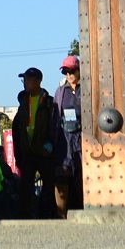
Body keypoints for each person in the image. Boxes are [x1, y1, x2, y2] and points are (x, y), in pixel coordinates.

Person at [10, 67, 62, 218]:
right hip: (27, 152)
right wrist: (18, 152)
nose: (25, 83)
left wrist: (50, 146)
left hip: (44, 152)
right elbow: (16, 129)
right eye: (24, 80)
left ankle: (48, 214)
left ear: (38, 81)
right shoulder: (23, 102)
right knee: (25, 187)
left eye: (28, 80)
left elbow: (55, 126)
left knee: (49, 185)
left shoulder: (49, 102)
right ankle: (25, 216)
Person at [54, 53, 84, 216]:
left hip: (82, 138)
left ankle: (83, 211)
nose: (68, 75)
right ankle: (61, 215)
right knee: (62, 178)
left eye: (71, 71)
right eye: (65, 72)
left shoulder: (86, 89)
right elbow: (55, 118)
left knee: (82, 178)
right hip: (64, 140)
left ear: (79, 70)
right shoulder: (60, 91)